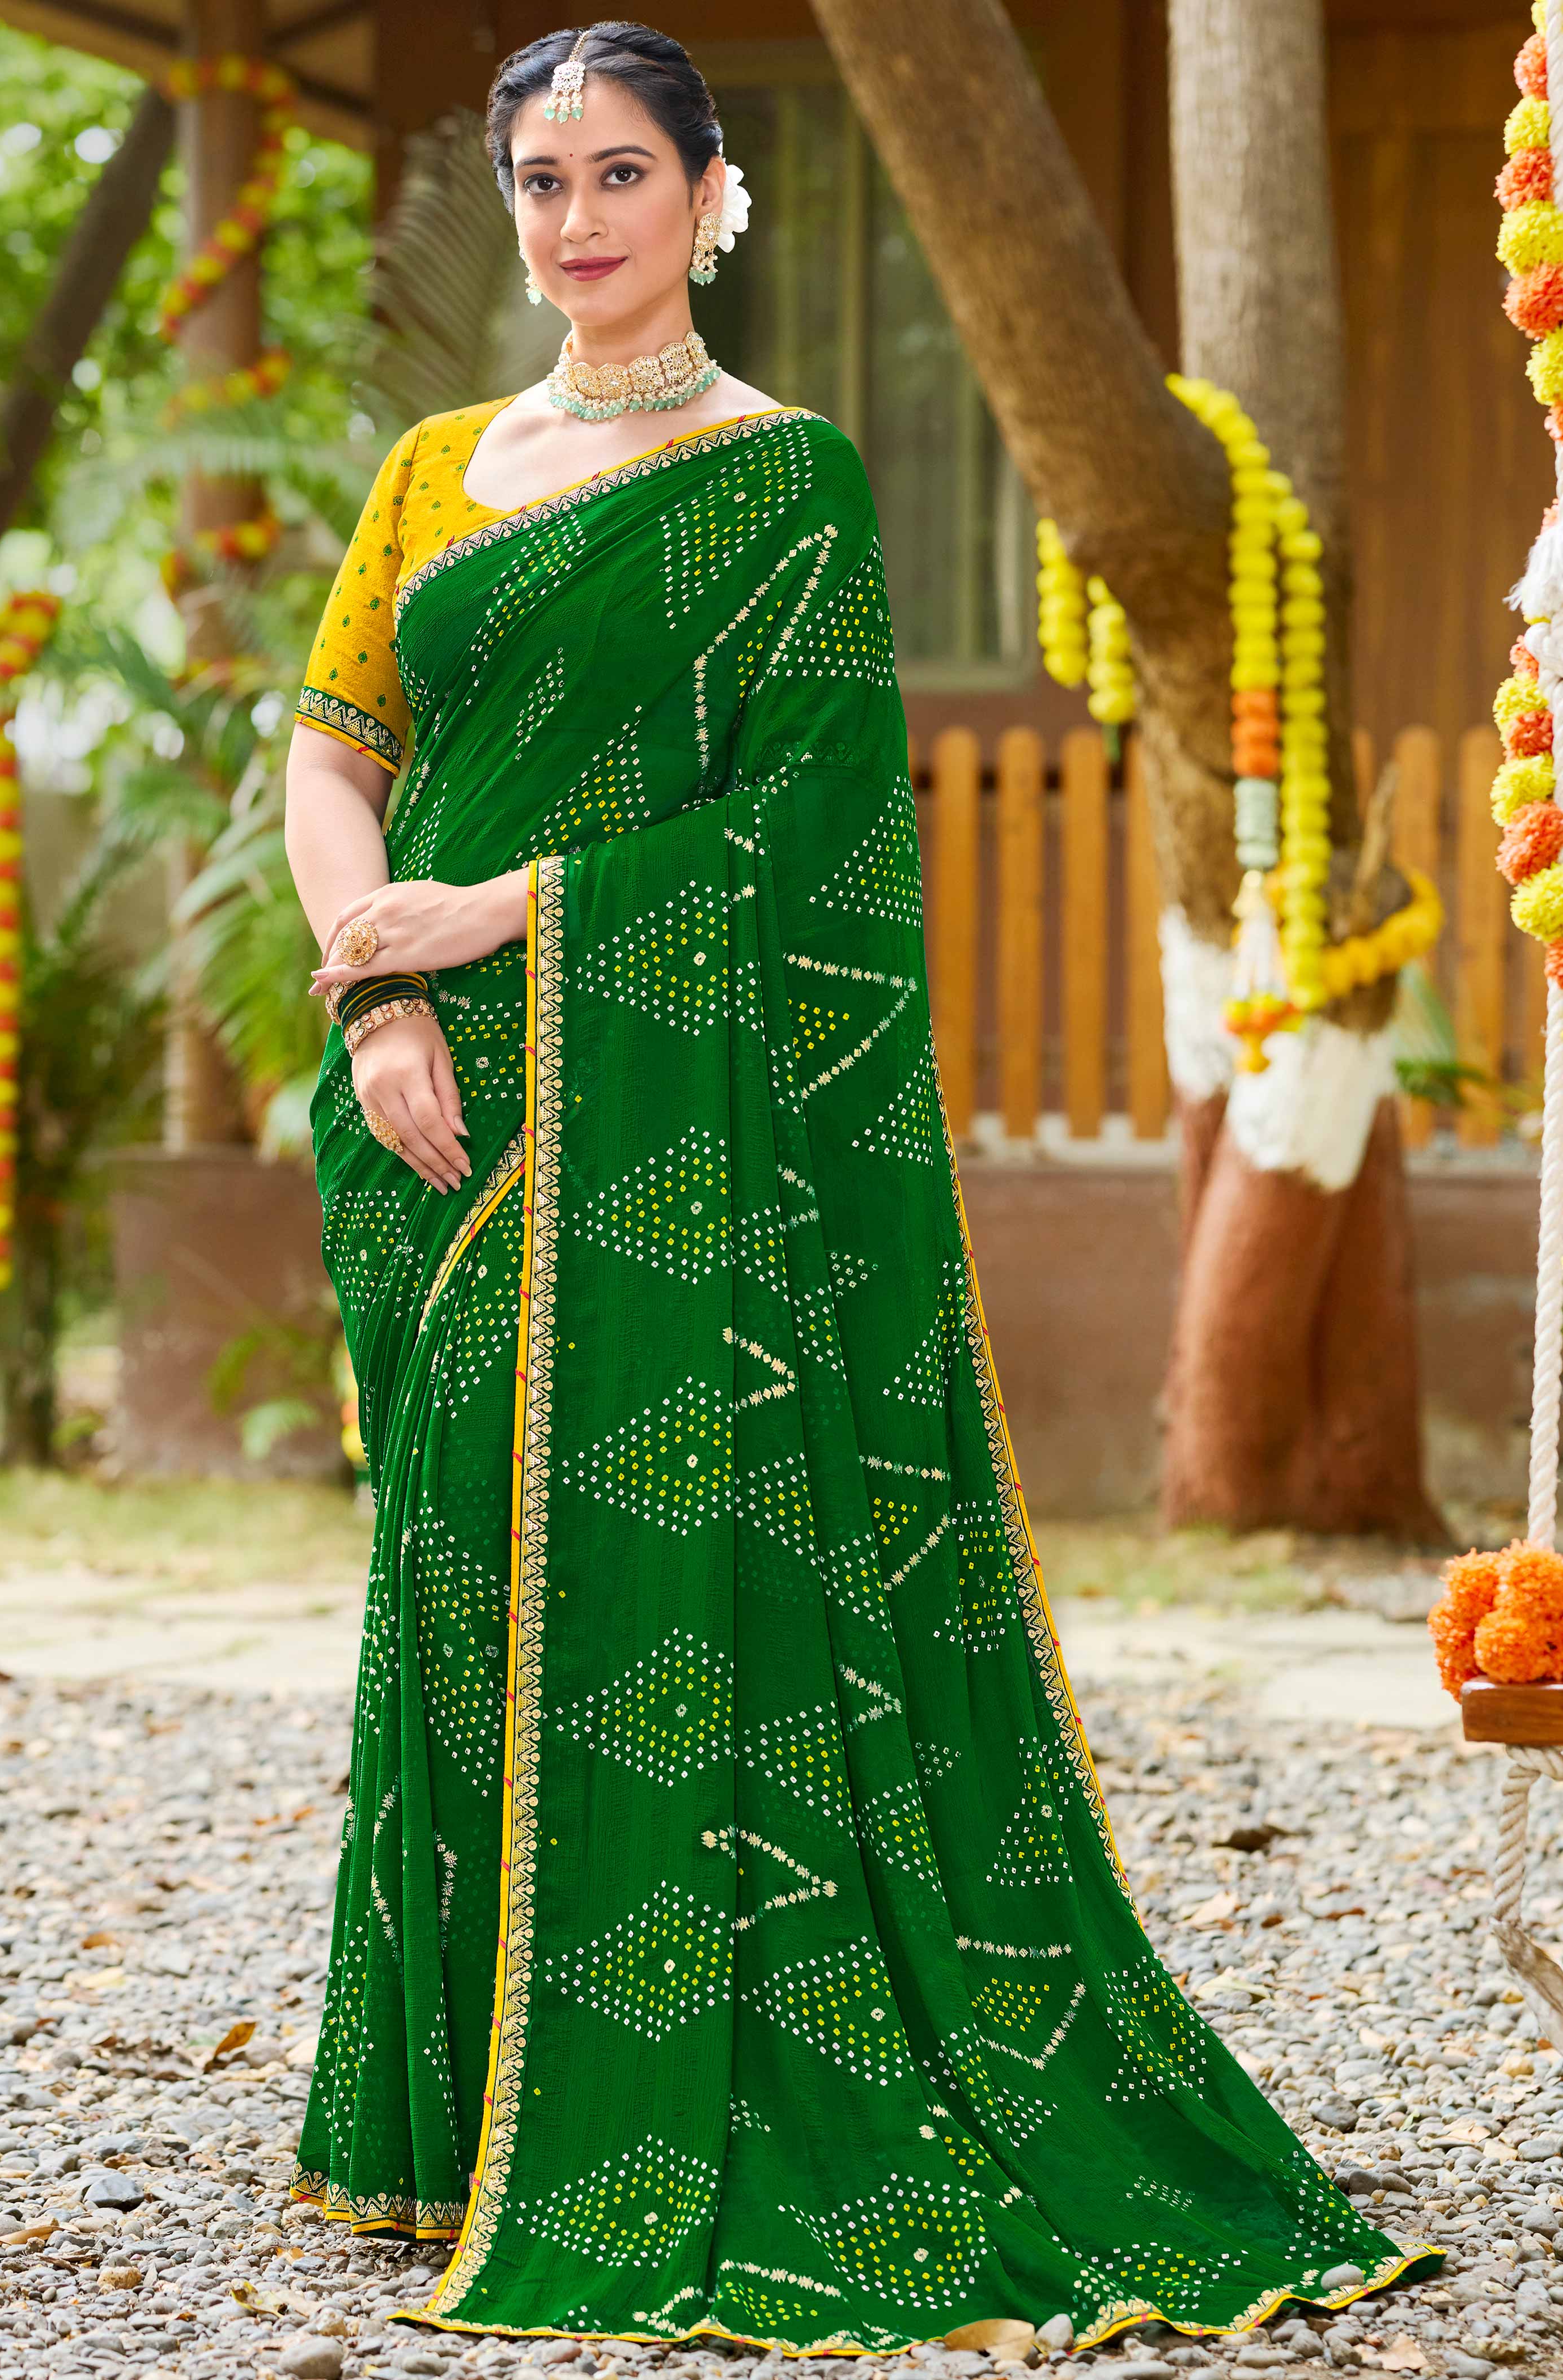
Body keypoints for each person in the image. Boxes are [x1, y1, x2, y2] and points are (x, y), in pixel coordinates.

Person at [282, 20, 1435, 2356]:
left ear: (708, 195)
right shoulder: (428, 473)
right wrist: (381, 997)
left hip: (657, 1098)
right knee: (454, 1553)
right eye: (541, 179)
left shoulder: (786, 479)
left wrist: (508, 913)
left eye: (621, 172)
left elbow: (818, 841)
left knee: (635, 1537)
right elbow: (334, 756)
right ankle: (465, 2113)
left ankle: (674, 2092)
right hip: (432, 1103)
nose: (576, 218)